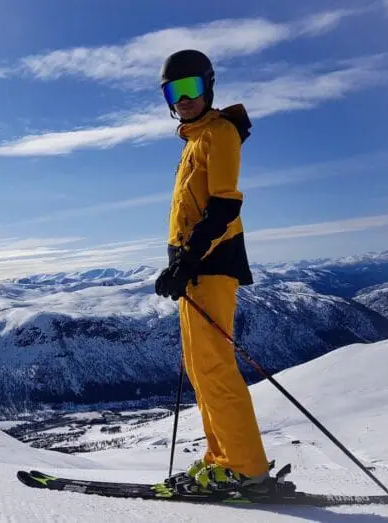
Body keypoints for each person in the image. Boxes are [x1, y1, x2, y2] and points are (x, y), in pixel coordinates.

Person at [153, 49, 269, 492]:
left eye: (191, 88)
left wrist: (186, 260)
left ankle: (246, 466)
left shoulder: (220, 133)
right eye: (174, 92)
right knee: (200, 368)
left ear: (209, 87)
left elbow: (223, 205)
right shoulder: (194, 141)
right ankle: (221, 457)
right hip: (193, 268)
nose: (183, 99)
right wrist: (179, 264)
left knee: (215, 367)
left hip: (210, 265)